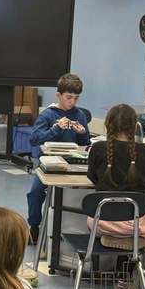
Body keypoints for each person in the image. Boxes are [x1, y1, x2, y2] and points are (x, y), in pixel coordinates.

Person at [26, 73, 91, 244]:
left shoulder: (79, 115)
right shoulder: (48, 115)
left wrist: (82, 133)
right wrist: (55, 129)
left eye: (76, 98)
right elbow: (34, 139)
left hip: (72, 163)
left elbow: (85, 143)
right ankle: (34, 226)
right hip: (49, 163)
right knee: (35, 192)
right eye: (69, 97)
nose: (72, 102)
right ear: (58, 95)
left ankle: (76, 228)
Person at [86, 103, 145, 245]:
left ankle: (110, 239)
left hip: (103, 222)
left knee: (91, 219)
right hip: (135, 224)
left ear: (107, 124)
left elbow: (92, 177)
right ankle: (130, 247)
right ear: (135, 126)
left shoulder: (98, 148)